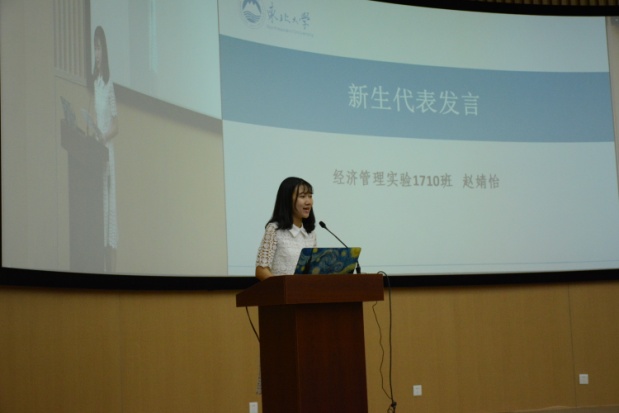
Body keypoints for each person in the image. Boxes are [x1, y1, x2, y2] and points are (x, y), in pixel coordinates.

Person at [92, 26, 119, 272]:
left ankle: (111, 272)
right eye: (95, 48)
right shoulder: (96, 83)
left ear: (105, 51)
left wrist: (102, 137)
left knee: (109, 212)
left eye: (99, 48)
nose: (96, 53)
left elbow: (115, 126)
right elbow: (97, 120)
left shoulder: (109, 83)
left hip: (107, 153)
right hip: (95, 151)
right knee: (97, 208)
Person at [255, 177, 317, 280]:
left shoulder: (310, 233)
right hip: (281, 290)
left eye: (310, 196)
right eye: (302, 196)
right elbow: (261, 270)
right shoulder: (274, 229)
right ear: (287, 200)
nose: (308, 202)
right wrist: (283, 287)